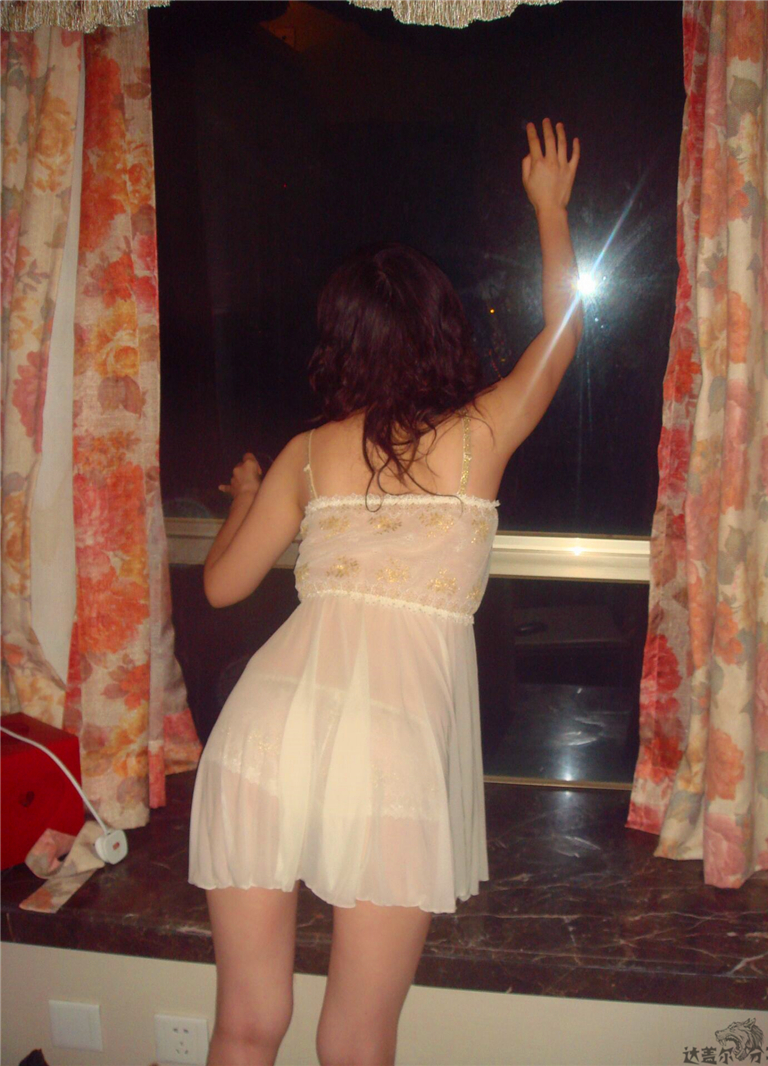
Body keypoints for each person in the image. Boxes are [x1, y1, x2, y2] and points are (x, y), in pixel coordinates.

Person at [188, 118, 582, 1066]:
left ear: (342, 343)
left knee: (245, 1026)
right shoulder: (477, 435)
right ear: (441, 332)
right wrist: (551, 211)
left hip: (258, 734)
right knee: (356, 1040)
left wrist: (244, 498)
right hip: (387, 754)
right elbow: (564, 333)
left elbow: (223, 585)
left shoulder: (305, 453)